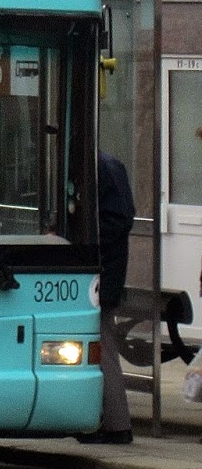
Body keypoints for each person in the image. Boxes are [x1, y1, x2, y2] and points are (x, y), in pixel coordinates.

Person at [79, 150, 135, 445]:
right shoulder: (99, 165)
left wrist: (82, 236)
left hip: (103, 276)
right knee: (98, 345)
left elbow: (120, 221)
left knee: (102, 345)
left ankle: (116, 424)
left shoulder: (104, 166)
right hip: (101, 274)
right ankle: (107, 420)